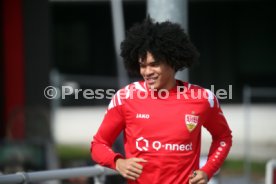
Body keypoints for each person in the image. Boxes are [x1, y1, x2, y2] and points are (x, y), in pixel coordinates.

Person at [90, 17, 232, 184]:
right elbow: (98, 144)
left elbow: (223, 137)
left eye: (154, 64)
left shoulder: (203, 98)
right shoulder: (125, 98)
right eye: (143, 65)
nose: (147, 71)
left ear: (172, 61)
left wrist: (208, 170)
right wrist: (118, 162)